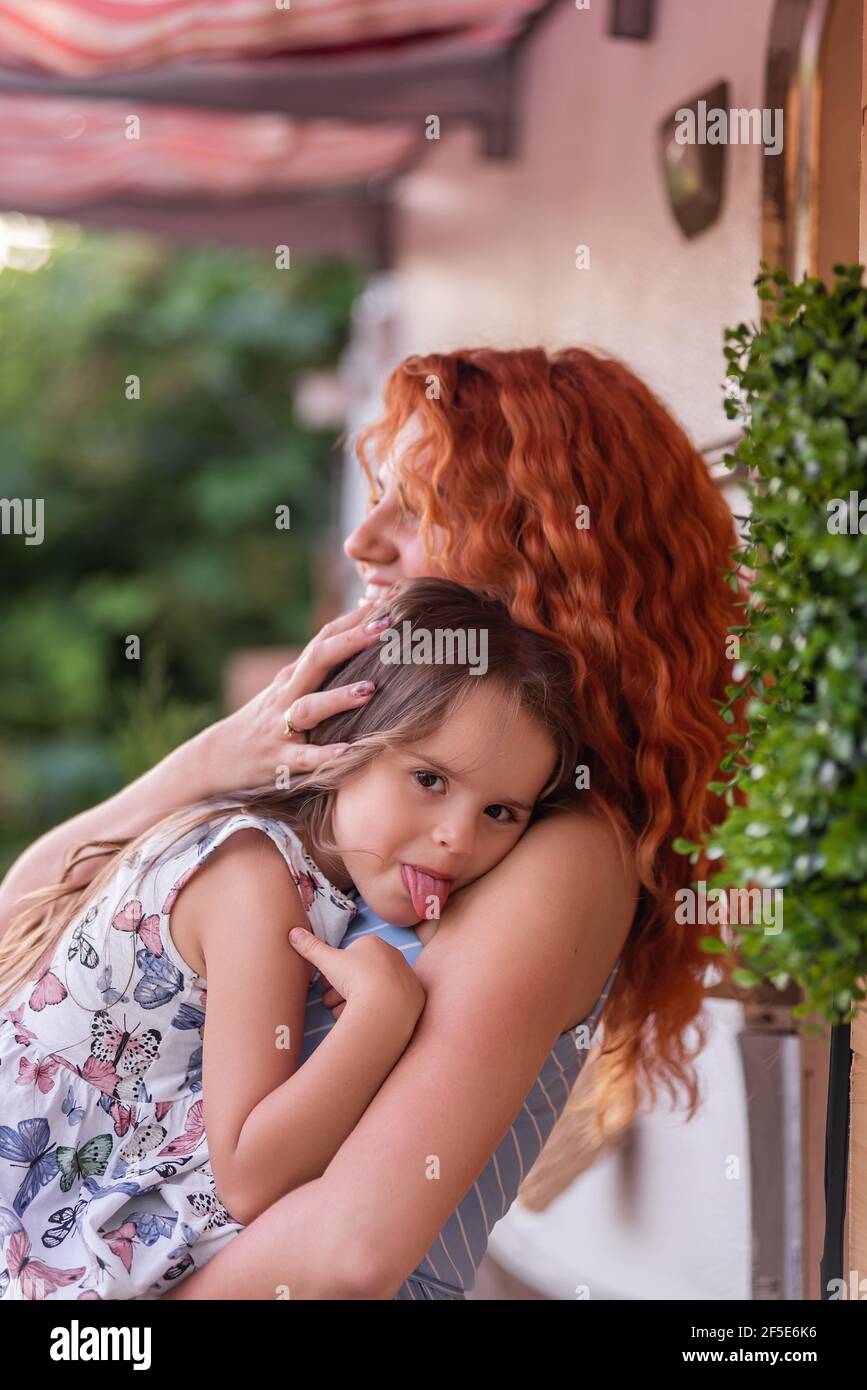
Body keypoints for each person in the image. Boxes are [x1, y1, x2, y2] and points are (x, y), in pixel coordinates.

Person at [0, 346, 744, 1299]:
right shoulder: (381, 790)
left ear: (540, 551)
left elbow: (346, 1253)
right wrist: (205, 766)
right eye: (376, 496)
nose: (364, 541)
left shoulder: (562, 849)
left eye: (418, 507)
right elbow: (31, 923)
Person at [0, 579, 589, 1300]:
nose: (457, 837)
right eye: (428, 779)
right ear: (344, 742)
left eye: (500, 811)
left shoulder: (262, 851)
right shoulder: (256, 883)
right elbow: (252, 1174)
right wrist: (381, 1016)